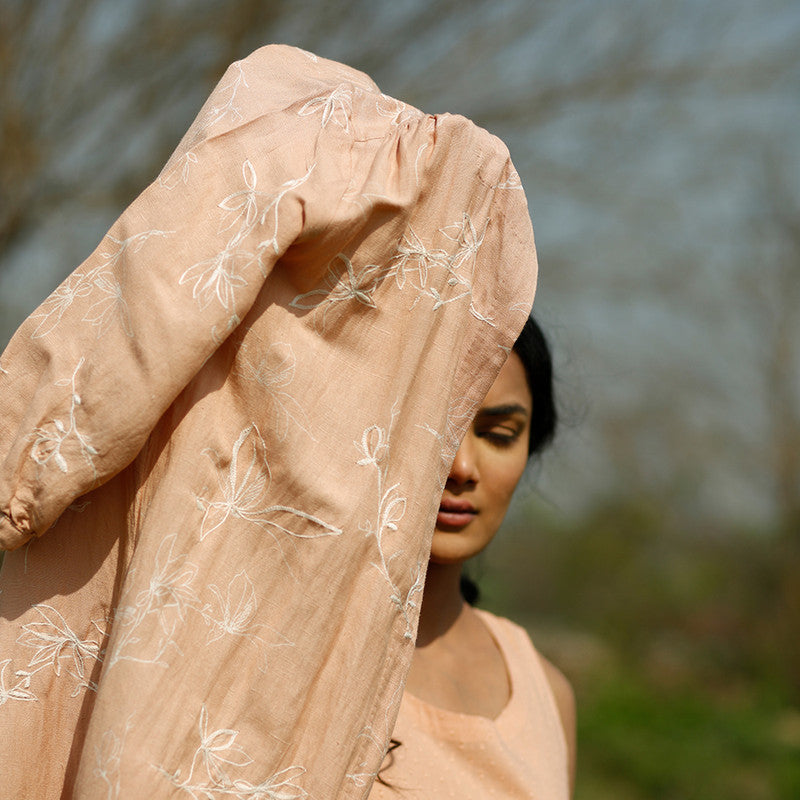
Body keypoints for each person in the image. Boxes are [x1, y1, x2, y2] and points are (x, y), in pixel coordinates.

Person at [0, 45, 539, 798]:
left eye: (502, 434)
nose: (462, 465)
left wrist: (20, 474)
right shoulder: (457, 200)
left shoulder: (296, 132)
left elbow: (116, 339)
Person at [370, 316, 575, 799]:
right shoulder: (283, 654)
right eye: (435, 425)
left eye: (500, 435)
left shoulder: (547, 693)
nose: (462, 467)